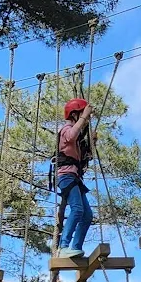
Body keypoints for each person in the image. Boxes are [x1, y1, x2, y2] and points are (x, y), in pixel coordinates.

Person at [54, 97, 94, 258]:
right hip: (66, 176)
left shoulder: (77, 139)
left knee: (87, 215)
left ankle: (75, 247)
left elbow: (82, 157)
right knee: (77, 209)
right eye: (82, 115)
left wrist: (92, 143)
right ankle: (63, 247)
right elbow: (71, 136)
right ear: (75, 114)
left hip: (74, 177)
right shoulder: (66, 129)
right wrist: (85, 116)